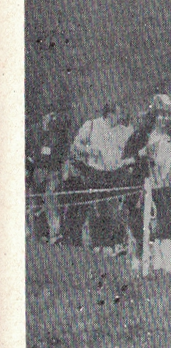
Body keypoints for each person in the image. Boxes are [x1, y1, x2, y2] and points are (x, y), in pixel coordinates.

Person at [124, 94, 171, 272]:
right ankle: (139, 257)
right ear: (154, 114)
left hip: (166, 186)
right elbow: (126, 160)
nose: (164, 119)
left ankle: (166, 262)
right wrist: (141, 154)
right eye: (161, 114)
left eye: (168, 115)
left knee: (167, 221)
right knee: (140, 223)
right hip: (143, 186)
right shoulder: (141, 135)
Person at [68, 103, 129, 252]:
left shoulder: (122, 131)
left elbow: (128, 148)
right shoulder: (92, 125)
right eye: (118, 114)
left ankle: (115, 243)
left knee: (114, 208)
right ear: (109, 114)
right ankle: (98, 244)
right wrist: (89, 151)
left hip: (115, 173)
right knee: (98, 207)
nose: (120, 118)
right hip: (96, 172)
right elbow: (76, 144)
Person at [26, 108, 71, 243]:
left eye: (54, 115)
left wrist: (65, 171)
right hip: (37, 171)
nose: (52, 118)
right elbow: (26, 149)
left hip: (53, 172)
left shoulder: (60, 133)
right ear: (43, 116)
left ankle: (54, 234)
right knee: (35, 203)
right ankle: (37, 234)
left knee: (52, 201)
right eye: (50, 115)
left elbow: (65, 153)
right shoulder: (33, 132)